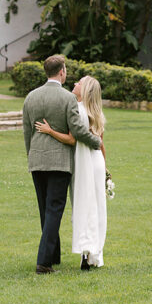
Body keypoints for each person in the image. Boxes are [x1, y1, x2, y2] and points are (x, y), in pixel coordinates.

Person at [22, 55, 101, 274]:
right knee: (54, 210)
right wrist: (96, 141)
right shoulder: (67, 99)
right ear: (62, 72)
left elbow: (27, 131)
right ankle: (44, 263)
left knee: (44, 210)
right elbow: (76, 130)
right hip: (59, 162)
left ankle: (53, 255)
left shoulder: (30, 97)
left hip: (37, 160)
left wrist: (32, 154)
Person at [35, 74, 107, 270]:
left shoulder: (78, 110)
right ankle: (93, 254)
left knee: (84, 207)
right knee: (97, 208)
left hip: (84, 164)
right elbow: (101, 144)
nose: (75, 83)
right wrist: (106, 169)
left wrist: (50, 132)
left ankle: (86, 253)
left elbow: (72, 139)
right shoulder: (97, 113)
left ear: (85, 90)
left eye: (79, 83)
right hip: (97, 162)